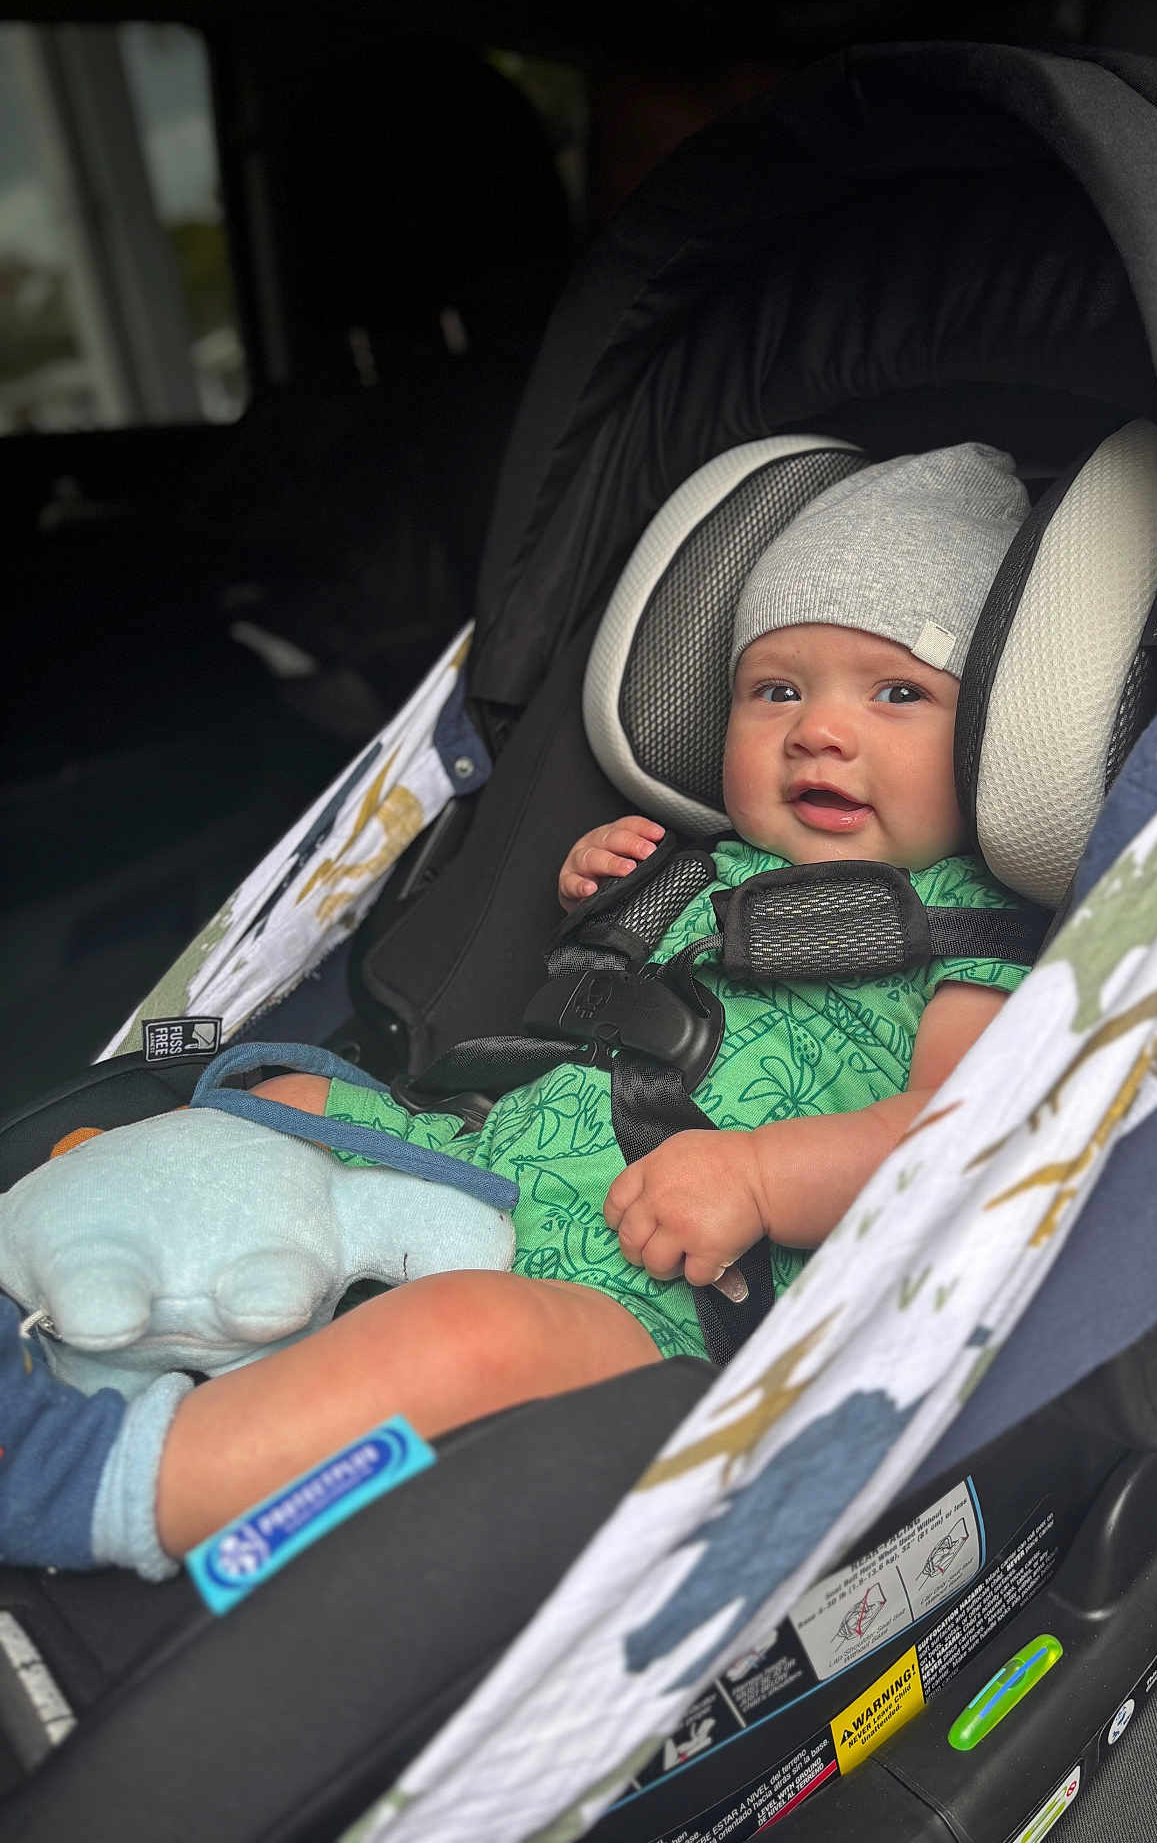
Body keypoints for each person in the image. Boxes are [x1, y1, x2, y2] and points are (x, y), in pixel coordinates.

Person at [2, 443, 1035, 1575]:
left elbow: (959, 1135)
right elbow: (590, 1009)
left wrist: (759, 1179)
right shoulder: (706, 861)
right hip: (493, 1160)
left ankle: (92, 1480)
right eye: (776, 689)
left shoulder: (970, 931)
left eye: (899, 694)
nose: (819, 732)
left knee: (471, 1340)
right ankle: (73, 1282)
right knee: (282, 1103)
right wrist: (604, 899)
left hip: (662, 1299)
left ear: (992, 737)